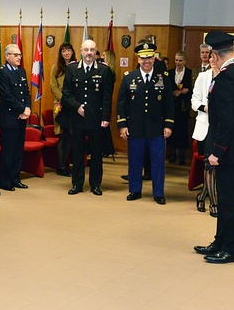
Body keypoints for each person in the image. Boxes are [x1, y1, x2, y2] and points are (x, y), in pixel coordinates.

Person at [194, 31, 234, 264]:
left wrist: (217, 151)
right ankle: (220, 241)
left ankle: (232, 249)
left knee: (229, 201)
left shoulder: (228, 77)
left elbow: (227, 120)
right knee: (224, 198)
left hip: (228, 149)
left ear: (216, 56)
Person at [117, 41, 174, 204]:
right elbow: (122, 103)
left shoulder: (163, 78)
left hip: (157, 128)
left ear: (154, 58)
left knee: (157, 162)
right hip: (135, 128)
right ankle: (135, 190)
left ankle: (158, 193)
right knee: (135, 160)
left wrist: (168, 125)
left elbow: (169, 103)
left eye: (149, 57)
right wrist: (122, 125)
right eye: (143, 58)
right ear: (138, 59)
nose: (146, 61)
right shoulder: (129, 78)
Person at [62, 39, 113, 196]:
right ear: (81, 51)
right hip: (77, 118)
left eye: (92, 50)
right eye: (86, 50)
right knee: (77, 153)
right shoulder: (72, 69)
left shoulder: (104, 70)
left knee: (96, 153)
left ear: (96, 51)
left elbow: (107, 96)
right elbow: (66, 94)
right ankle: (77, 184)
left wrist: (105, 117)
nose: (89, 53)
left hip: (96, 118)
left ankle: (95, 184)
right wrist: (77, 106)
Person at [0, 43, 31, 191]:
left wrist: (27, 108)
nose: (18, 57)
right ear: (7, 56)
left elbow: (26, 92)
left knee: (18, 150)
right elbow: (7, 96)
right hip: (9, 118)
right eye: (15, 55)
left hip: (22, 117)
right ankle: (5, 181)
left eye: (19, 55)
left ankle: (16, 178)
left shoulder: (21, 71)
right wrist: (22, 109)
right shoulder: (3, 73)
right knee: (8, 151)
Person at [191, 45, 218, 213]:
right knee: (209, 164)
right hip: (205, 126)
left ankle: (202, 196)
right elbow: (194, 101)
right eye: (211, 59)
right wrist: (204, 107)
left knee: (216, 164)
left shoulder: (226, 78)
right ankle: (213, 202)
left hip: (221, 128)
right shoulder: (202, 77)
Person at [50, 42, 76, 175]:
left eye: (68, 50)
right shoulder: (56, 67)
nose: (66, 53)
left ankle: (67, 164)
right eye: (63, 51)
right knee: (62, 136)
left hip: (73, 105)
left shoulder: (76, 66)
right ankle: (60, 166)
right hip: (60, 105)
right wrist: (64, 100)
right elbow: (53, 86)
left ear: (72, 52)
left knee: (71, 135)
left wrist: (71, 102)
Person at [169, 51, 193, 164]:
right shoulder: (169, 73)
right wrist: (173, 92)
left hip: (184, 106)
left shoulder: (189, 73)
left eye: (180, 60)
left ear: (185, 61)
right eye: (176, 60)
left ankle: (182, 156)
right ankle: (172, 154)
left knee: (182, 130)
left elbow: (193, 89)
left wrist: (186, 91)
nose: (178, 63)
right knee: (172, 129)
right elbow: (167, 89)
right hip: (173, 105)